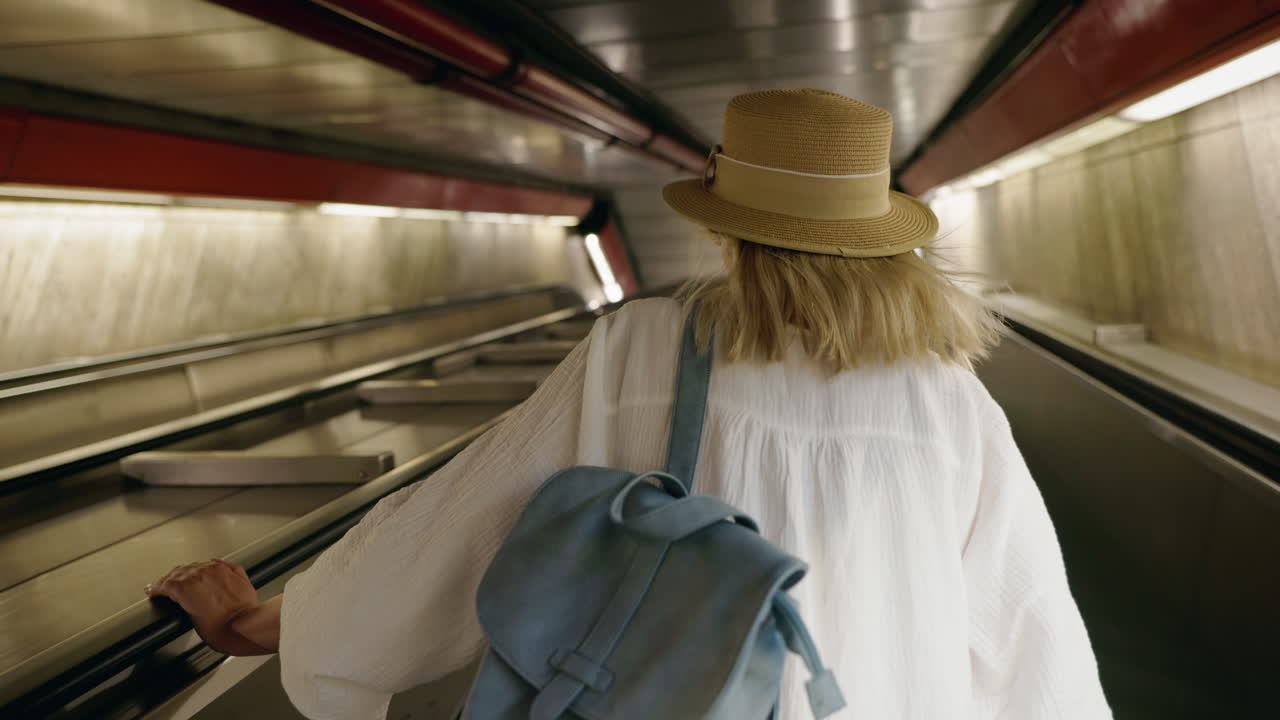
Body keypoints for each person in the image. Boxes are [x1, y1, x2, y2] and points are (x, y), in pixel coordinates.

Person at [148, 89, 1112, 719]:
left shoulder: (646, 350)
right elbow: (1028, 633)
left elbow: (464, 529)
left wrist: (267, 622)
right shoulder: (953, 404)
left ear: (733, 228)